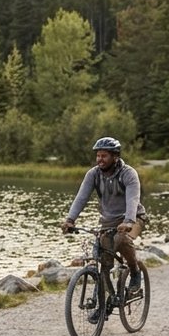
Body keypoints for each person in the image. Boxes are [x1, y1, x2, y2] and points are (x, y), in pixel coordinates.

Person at [61, 136, 145, 323]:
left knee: (122, 239)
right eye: (98, 155)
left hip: (133, 218)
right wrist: (70, 219)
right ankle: (104, 305)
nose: (99, 159)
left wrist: (129, 221)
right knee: (103, 261)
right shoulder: (93, 174)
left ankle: (135, 271)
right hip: (108, 222)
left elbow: (133, 199)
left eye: (104, 156)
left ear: (115, 156)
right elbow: (81, 197)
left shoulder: (129, 174)